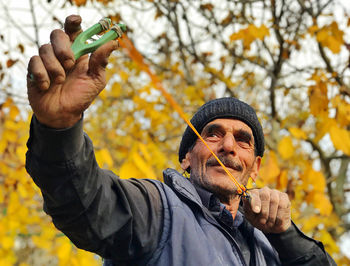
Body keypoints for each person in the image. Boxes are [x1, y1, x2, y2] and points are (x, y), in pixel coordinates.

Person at [26, 15, 336, 266]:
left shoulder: (271, 244)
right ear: (186, 157)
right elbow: (86, 204)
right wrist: (59, 126)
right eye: (212, 133)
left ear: (254, 168)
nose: (227, 146)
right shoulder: (154, 209)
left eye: (242, 140)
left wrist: (284, 233)